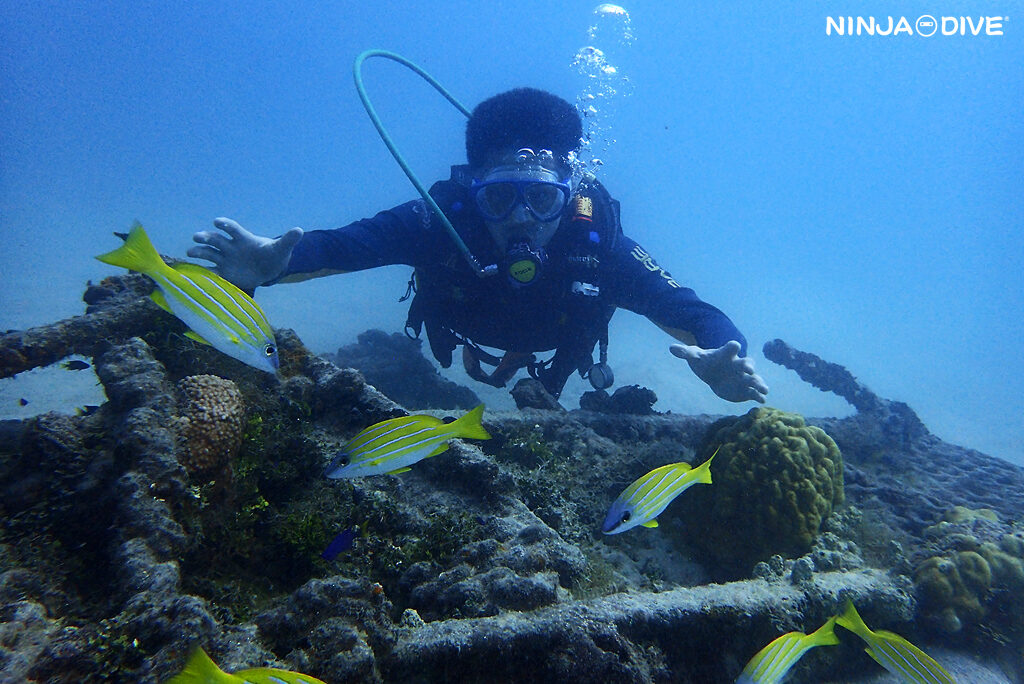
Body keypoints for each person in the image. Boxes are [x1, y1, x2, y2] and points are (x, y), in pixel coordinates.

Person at [189, 88, 768, 404]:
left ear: (569, 198)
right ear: (474, 192)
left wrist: (724, 352)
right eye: (500, 200)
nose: (522, 219)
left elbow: (691, 311)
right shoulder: (441, 217)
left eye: (542, 202)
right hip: (464, 329)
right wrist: (274, 261)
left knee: (551, 371)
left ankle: (538, 379)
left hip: (558, 343)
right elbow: (345, 245)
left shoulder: (598, 245)